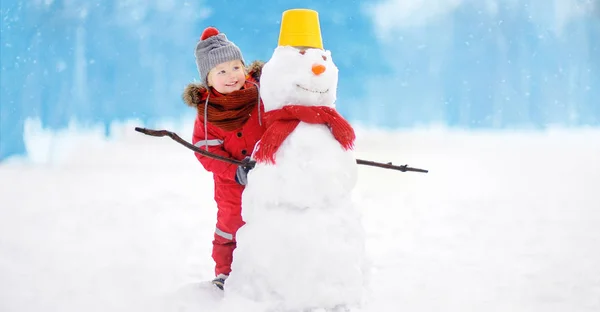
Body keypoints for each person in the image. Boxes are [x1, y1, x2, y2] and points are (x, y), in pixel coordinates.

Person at [182, 26, 265, 290]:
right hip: (231, 183)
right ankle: (225, 272)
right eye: (221, 71)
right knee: (230, 225)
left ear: (245, 68)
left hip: (267, 176)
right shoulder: (208, 112)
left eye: (235, 68)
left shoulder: (260, 96)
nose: (231, 76)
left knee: (268, 220)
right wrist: (235, 170)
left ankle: (269, 267)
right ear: (208, 79)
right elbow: (207, 153)